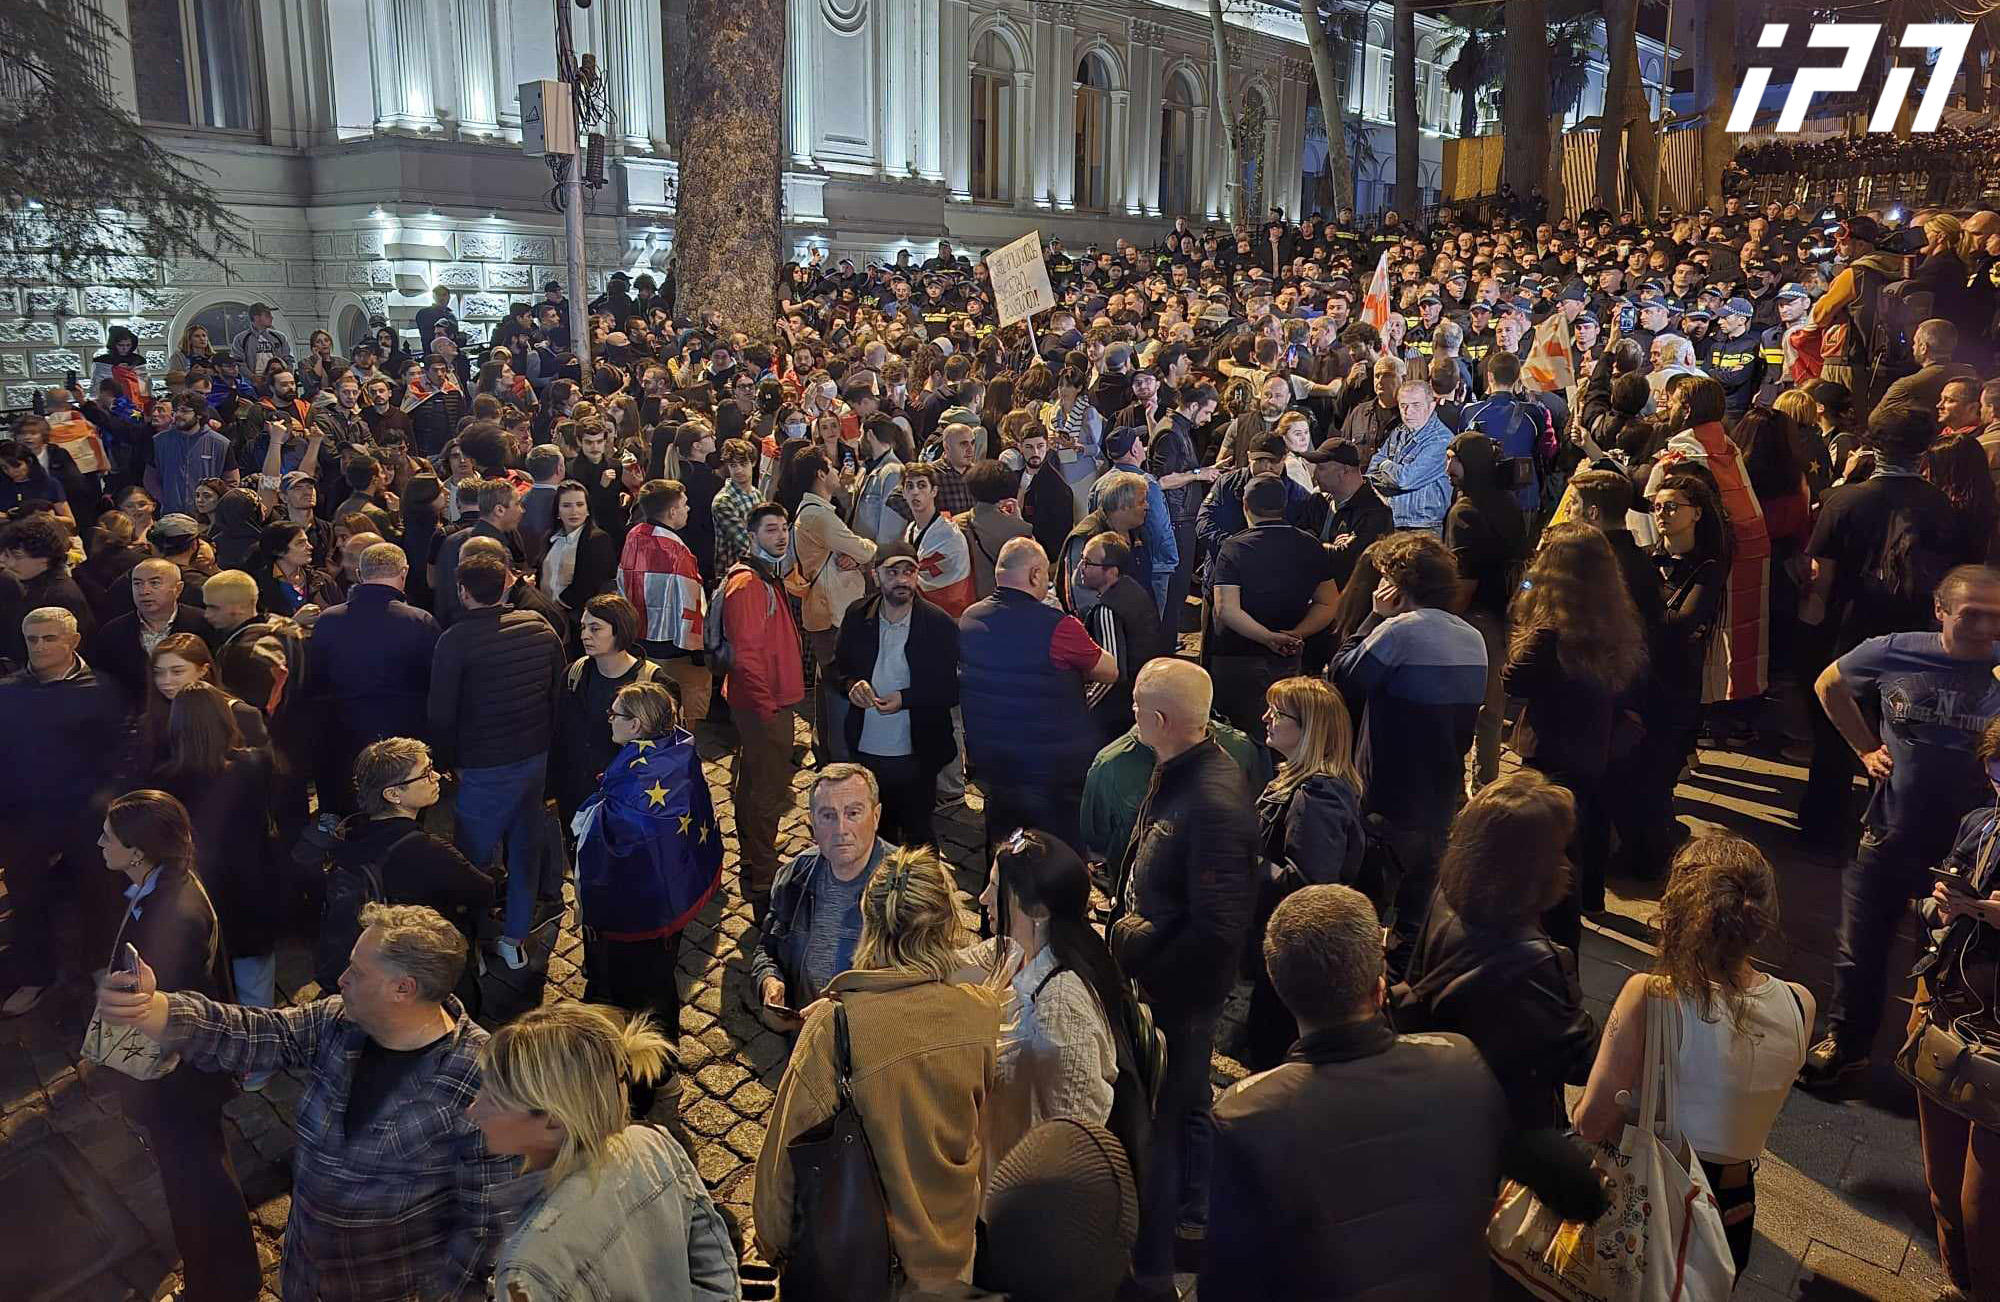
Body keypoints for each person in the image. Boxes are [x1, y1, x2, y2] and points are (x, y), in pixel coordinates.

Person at [92, 902, 522, 1302]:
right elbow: (261, 1032)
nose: (342, 979)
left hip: (385, 1288)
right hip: (306, 1273)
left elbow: (486, 1226)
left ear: (403, 989)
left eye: (357, 972)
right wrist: (158, 1010)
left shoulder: (482, 1084)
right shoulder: (340, 1020)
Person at [1200, 884, 1605, 1302]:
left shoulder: (1244, 1116)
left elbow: (1228, 1281)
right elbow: (1570, 1183)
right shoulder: (1457, 1062)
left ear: (1280, 988)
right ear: (1379, 987)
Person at [753, 845, 1002, 1290]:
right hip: (951, 1258)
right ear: (948, 923)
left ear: (868, 923)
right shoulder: (981, 1012)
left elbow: (780, 1173)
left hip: (858, 1267)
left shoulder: (832, 1028)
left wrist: (777, 1249)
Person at [1575, 832, 1810, 1277]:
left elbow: (1591, 1121)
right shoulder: (1800, 1003)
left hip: (1649, 1197)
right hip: (1734, 1206)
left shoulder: (1651, 995)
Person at [1802, 565, 2000, 1087]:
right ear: (1940, 611)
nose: (1985, 628)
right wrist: (1866, 748)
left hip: (1971, 852)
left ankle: (1933, 1061)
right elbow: (1829, 683)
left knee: (1949, 952)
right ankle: (1847, 1047)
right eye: (1972, 615)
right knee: (1861, 947)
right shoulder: (1895, 650)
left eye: (1996, 617)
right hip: (1891, 828)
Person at [1108, 658, 1259, 1294]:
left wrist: (1145, 963)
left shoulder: (1212, 801)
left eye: (1137, 708)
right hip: (1170, 978)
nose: (1130, 717)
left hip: (1181, 994)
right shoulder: (1186, 768)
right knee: (1188, 1098)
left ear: (1161, 719)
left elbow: (1217, 930)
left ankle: (1168, 1242)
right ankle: (1191, 1212)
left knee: (1172, 1110)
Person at [92, 789, 261, 1302]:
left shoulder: (170, 915)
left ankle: (219, 1287)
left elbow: (169, 1006)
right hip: (190, 1072)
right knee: (202, 1174)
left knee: (196, 1185)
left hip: (179, 1077)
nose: (99, 843)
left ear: (138, 851)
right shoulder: (167, 885)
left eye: (109, 837)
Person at [472, 1002, 739, 1302]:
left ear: (553, 1118)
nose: (474, 1109)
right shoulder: (652, 1142)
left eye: (493, 1097)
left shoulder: (525, 1273)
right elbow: (713, 1259)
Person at [1391, 771, 1598, 1133]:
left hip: (1437, 1095)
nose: (1566, 862)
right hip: (1499, 1124)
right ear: (1534, 865)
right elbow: (1582, 1062)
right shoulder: (1537, 960)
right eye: (1558, 850)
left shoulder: (1447, 893)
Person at [1330, 531, 1488, 958]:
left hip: (1388, 796)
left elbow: (1344, 676)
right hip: (1441, 796)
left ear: (1397, 586)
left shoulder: (1399, 631)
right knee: (1416, 918)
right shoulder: (1472, 637)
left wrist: (1374, 617)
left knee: (1364, 910)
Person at [1503, 522, 1648, 952]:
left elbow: (1513, 677)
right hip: (1595, 747)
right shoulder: (1614, 620)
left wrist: (1529, 582)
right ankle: (1590, 902)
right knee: (1584, 829)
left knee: (1551, 853)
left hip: (1552, 752)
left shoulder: (1549, 633)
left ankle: (1556, 945)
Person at [428, 554, 566, 972]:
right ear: (507, 584)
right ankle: (514, 938)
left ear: (463, 591)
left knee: (472, 859)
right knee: (525, 849)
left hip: (483, 765)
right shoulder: (539, 627)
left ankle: (474, 942)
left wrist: (446, 762)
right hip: (535, 758)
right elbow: (557, 696)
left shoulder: (454, 641)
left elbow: (441, 714)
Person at [962, 829, 1123, 1175]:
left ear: (1038, 911)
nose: (983, 898)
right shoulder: (1015, 951)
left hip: (1023, 1181)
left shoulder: (1060, 1014)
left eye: (996, 888)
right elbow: (952, 966)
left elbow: (1074, 1135)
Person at [572, 681, 722, 1038]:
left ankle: (653, 1059)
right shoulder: (675, 754)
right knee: (659, 976)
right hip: (670, 893)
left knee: (645, 990)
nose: (609, 719)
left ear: (636, 725)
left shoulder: (636, 785)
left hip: (641, 913)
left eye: (615, 714)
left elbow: (614, 841)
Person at [0, 607, 128, 1016]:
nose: (39, 647)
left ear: (73, 641)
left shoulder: (102, 689)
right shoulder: (9, 691)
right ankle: (35, 975)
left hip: (86, 813)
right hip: (24, 814)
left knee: (100, 893)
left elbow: (120, 753)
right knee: (27, 896)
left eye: (49, 638)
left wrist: (106, 801)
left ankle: (100, 966)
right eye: (32, 639)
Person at [1911, 716, 2000, 1300]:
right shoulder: (1980, 823)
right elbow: (1933, 910)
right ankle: (1960, 1286)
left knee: (1984, 1207)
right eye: (1996, 769)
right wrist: (1942, 904)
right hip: (1949, 1012)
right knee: (1943, 1186)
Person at [958, 537, 1116, 851]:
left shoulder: (970, 618)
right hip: (1052, 765)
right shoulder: (1058, 626)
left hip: (995, 759)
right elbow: (1108, 669)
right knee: (1058, 849)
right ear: (1034, 575)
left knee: (1004, 842)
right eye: (1045, 574)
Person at [1243, 676, 1366, 1071]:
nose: (1266, 718)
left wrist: (1245, 862)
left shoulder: (1317, 795)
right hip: (1286, 943)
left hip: (1295, 948)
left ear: (1311, 729)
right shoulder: (1300, 781)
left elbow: (1309, 885)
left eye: (1278, 713)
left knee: (1272, 1051)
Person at [827, 542, 960, 847]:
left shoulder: (939, 624)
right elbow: (837, 669)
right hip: (867, 749)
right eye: (892, 572)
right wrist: (851, 685)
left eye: (909, 572)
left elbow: (951, 689)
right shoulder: (857, 615)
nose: (901, 579)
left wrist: (906, 699)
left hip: (918, 753)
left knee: (919, 837)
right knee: (877, 834)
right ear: (876, 576)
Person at [749, 762, 890, 1030]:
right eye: (828, 816)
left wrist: (840, 1009)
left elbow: (924, 987)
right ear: (812, 822)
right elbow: (767, 948)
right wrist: (769, 981)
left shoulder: (909, 888)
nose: (841, 829)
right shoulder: (794, 875)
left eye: (853, 813)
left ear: (876, 816)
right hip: (807, 1039)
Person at [718, 503, 807, 916]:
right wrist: (767, 706)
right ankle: (764, 874)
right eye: (772, 529)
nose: (781, 535)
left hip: (765, 699)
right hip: (763, 703)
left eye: (784, 527)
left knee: (753, 782)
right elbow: (747, 656)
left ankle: (756, 857)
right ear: (751, 536)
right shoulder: (749, 584)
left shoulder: (762, 576)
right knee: (767, 789)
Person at [307, 542, 441, 814]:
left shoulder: (328, 620)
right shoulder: (419, 621)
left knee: (353, 806)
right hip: (404, 734)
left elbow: (317, 678)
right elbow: (435, 681)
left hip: (345, 731)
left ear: (359, 574)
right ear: (404, 572)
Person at [1206, 474, 1339, 738]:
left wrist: (1267, 637)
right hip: (1288, 657)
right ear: (1284, 505)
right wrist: (1295, 634)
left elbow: (1227, 609)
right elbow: (1328, 601)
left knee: (1239, 735)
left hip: (1238, 657)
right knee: (1282, 730)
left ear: (1246, 505)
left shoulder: (1235, 547)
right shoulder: (1309, 545)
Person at [341, 738, 495, 953]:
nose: (437, 776)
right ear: (393, 794)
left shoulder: (350, 833)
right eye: (426, 773)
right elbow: (483, 890)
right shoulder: (427, 850)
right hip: (419, 950)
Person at [1444, 431, 1529, 786]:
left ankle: (1453, 786)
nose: (1448, 468)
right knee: (1492, 709)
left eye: (1454, 460)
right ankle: (1486, 783)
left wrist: (1445, 621)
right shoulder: (1508, 501)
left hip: (1475, 618)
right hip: (1506, 613)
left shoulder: (1464, 511)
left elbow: (1465, 577)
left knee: (1458, 708)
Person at [617, 478, 711, 725]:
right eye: (684, 504)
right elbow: (691, 602)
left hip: (638, 638)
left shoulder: (634, 535)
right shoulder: (676, 549)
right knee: (678, 711)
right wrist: (699, 649)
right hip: (673, 646)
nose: (688, 508)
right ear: (672, 511)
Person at [1070, 530, 1166, 742]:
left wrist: (1084, 708)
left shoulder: (1108, 609)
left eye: (1088, 562)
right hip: (1142, 696)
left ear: (1111, 572)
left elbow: (1111, 673)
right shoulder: (1133, 589)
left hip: (1118, 713)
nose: (1081, 567)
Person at [85, 556, 209, 700]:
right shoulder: (112, 632)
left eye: (154, 583)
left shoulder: (202, 624)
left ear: (178, 588)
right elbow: (105, 681)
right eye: (137, 584)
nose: (144, 591)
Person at [1367, 378, 1454, 534]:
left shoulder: (1441, 440)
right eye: (1403, 405)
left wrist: (1385, 465)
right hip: (1392, 521)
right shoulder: (1399, 431)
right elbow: (1371, 470)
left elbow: (1405, 480)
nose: (1408, 412)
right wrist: (1390, 471)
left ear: (1431, 406)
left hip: (1424, 527)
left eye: (1416, 405)